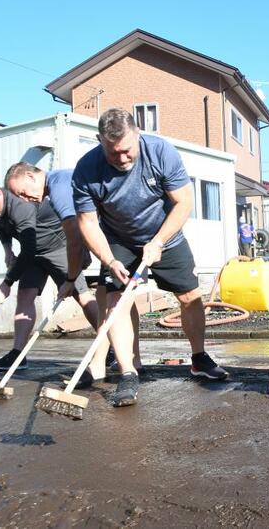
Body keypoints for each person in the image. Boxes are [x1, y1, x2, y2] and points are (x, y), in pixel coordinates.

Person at [72, 108, 228, 408]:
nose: (121, 158)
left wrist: (158, 241)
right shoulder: (87, 169)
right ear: (99, 141)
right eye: (112, 152)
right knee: (117, 300)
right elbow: (87, 222)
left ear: (138, 135)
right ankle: (128, 372)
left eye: (127, 150)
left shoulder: (160, 152)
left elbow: (183, 202)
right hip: (119, 239)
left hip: (165, 235)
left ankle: (198, 357)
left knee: (190, 296)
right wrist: (109, 260)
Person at [4, 162, 120, 387]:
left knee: (111, 299)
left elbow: (74, 235)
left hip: (117, 235)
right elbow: (82, 224)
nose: (25, 199)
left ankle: (119, 361)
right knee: (108, 298)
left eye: (23, 192)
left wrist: (69, 279)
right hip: (111, 236)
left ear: (30, 176)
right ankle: (122, 362)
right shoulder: (59, 181)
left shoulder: (58, 187)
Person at [0, 179, 100, 370]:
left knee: (81, 295)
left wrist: (7, 282)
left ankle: (108, 346)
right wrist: (7, 250)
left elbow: (28, 250)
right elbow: (1, 226)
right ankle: (18, 355)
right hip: (32, 253)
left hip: (58, 248)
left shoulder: (20, 206)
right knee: (24, 296)